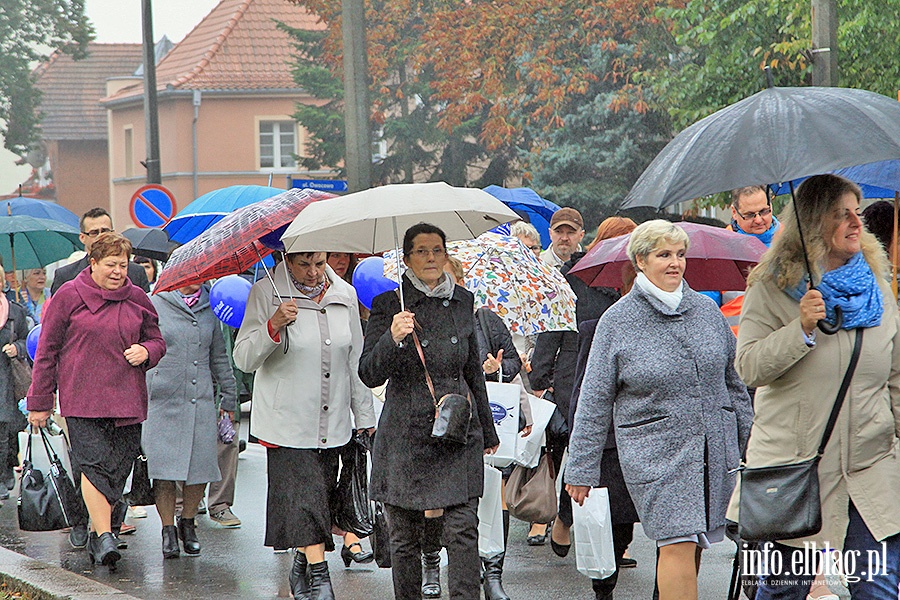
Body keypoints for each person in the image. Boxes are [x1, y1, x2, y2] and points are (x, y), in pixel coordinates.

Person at [565, 220, 753, 600]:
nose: (675, 263)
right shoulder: (617, 321)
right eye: (663, 255)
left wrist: (749, 444)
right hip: (654, 453)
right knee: (678, 541)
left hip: (712, 451)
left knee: (694, 541)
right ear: (640, 260)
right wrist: (581, 467)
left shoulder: (706, 310)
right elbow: (594, 398)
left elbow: (733, 384)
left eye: (680, 254)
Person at [735, 174, 900, 599]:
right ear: (813, 222)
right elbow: (749, 367)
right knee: (785, 591)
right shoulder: (770, 288)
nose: (854, 223)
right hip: (799, 471)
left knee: (878, 587)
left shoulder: (878, 289)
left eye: (857, 213)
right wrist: (801, 327)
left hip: (871, 466)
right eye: (840, 214)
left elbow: (895, 376)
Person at [359, 223, 500, 600]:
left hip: (455, 432)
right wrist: (393, 337)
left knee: (462, 530)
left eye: (437, 250)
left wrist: (487, 430)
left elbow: (471, 370)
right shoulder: (389, 305)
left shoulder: (464, 301)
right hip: (406, 435)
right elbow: (368, 371)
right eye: (421, 251)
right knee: (404, 536)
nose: (431, 258)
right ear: (405, 259)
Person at [233, 250, 376, 600]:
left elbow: (355, 360)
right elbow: (244, 358)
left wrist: (365, 417)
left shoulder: (344, 294)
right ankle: (319, 575)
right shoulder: (266, 292)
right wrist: (273, 325)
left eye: (319, 262)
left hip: (334, 419)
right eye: (303, 264)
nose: (313, 272)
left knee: (315, 502)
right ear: (287, 258)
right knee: (306, 496)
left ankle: (301, 560)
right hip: (286, 419)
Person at [26, 232, 165, 570]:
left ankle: (99, 531)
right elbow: (47, 351)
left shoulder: (137, 297)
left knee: (118, 470)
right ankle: (104, 536)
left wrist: (147, 351)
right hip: (83, 399)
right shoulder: (69, 295)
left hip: (128, 399)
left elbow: (157, 339)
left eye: (122, 264)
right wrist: (39, 401)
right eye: (110, 264)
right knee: (94, 466)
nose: (117, 271)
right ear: (93, 263)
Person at [443, 255, 528, 600]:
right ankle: (452, 564)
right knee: (452, 499)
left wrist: (497, 364)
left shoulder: (485, 320)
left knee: (495, 494)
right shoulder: (419, 321)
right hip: (445, 421)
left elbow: (514, 360)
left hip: (487, 416)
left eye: (450, 280)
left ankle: (494, 572)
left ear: (461, 282)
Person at [144, 282, 238, 559]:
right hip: (162, 398)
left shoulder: (211, 306)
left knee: (199, 467)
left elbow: (219, 356)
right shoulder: (155, 302)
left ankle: (188, 523)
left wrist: (230, 396)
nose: (193, 278)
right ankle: (167, 529)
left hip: (199, 398)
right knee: (164, 471)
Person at [51, 208, 150, 295]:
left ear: (113, 232)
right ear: (82, 237)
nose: (100, 236)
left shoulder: (136, 273)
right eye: (94, 233)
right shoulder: (65, 276)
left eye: (105, 231)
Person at [0, 257, 29, 499]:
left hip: (7, 379)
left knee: (6, 428)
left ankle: (4, 473)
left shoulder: (15, 312)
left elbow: (28, 341)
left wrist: (17, 348)